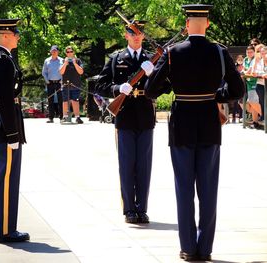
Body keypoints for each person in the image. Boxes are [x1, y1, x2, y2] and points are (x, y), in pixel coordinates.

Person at [144, 4, 244, 261]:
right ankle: (206, 248)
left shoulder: (173, 53)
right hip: (209, 124)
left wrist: (171, 83)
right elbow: (237, 90)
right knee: (209, 189)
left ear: (187, 24)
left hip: (182, 126)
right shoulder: (219, 52)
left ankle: (188, 247)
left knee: (184, 189)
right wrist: (215, 95)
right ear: (207, 24)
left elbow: (151, 90)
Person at [96, 19, 156, 224]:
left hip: (146, 116)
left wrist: (153, 74)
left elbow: (165, 87)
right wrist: (116, 89)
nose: (137, 37)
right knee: (127, 164)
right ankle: (129, 209)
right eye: (133, 34)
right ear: (126, 36)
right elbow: (100, 85)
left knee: (144, 166)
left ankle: (142, 208)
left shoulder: (151, 59)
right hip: (125, 116)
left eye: (139, 34)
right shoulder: (116, 59)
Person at [0, 18, 29, 243]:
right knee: (6, 179)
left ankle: (5, 227)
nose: (18, 36)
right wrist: (13, 135)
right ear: (4, 35)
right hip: (5, 128)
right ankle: (4, 230)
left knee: (6, 178)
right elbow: (3, 99)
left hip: (2, 124)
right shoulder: (2, 61)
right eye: (15, 32)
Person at [59, 46, 84, 124]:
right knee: (65, 101)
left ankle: (77, 117)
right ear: (66, 53)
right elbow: (61, 72)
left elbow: (81, 72)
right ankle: (65, 117)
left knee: (75, 101)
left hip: (75, 84)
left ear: (73, 52)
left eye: (71, 51)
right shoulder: (63, 61)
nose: (69, 53)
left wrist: (74, 63)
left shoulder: (78, 60)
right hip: (65, 84)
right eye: (68, 52)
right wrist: (65, 63)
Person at [42, 45, 63, 123]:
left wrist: (62, 80)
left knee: (61, 100)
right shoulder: (47, 60)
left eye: (55, 51)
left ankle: (62, 117)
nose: (54, 52)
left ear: (58, 52)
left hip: (59, 82)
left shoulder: (62, 60)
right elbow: (44, 72)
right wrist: (47, 81)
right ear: (50, 51)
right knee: (50, 100)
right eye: (53, 50)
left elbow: (64, 72)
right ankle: (51, 118)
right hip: (50, 82)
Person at [242, 45, 261, 128]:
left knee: (252, 102)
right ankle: (255, 119)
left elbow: (249, 71)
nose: (249, 54)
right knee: (243, 103)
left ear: (254, 52)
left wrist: (246, 72)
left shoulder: (255, 60)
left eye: (251, 52)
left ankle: (256, 120)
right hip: (246, 83)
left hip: (254, 83)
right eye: (247, 52)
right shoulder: (245, 59)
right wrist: (245, 72)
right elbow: (243, 70)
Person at [251, 44, 266, 123]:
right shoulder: (259, 61)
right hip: (260, 84)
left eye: (264, 52)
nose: (262, 54)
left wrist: (260, 73)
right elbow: (254, 73)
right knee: (261, 102)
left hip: (265, 84)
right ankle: (264, 118)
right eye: (260, 52)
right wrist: (256, 62)